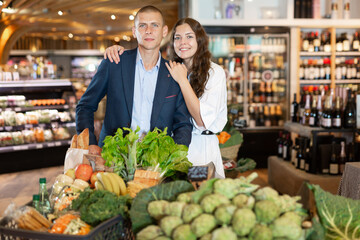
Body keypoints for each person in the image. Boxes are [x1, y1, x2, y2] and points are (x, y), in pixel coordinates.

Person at [104, 18, 228, 178]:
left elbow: (201, 121)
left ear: (200, 40)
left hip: (201, 149)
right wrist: (119, 51)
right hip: (172, 148)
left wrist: (183, 80)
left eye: (189, 36)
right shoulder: (169, 68)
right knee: (174, 199)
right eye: (177, 37)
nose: (183, 42)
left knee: (199, 197)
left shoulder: (214, 72)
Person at [76, 5, 193, 155]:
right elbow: (85, 106)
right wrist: (90, 144)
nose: (148, 31)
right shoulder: (114, 63)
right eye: (142, 25)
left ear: (164, 31)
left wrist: (174, 157)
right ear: (134, 31)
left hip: (155, 163)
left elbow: (183, 125)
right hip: (112, 158)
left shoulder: (174, 73)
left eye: (154, 25)